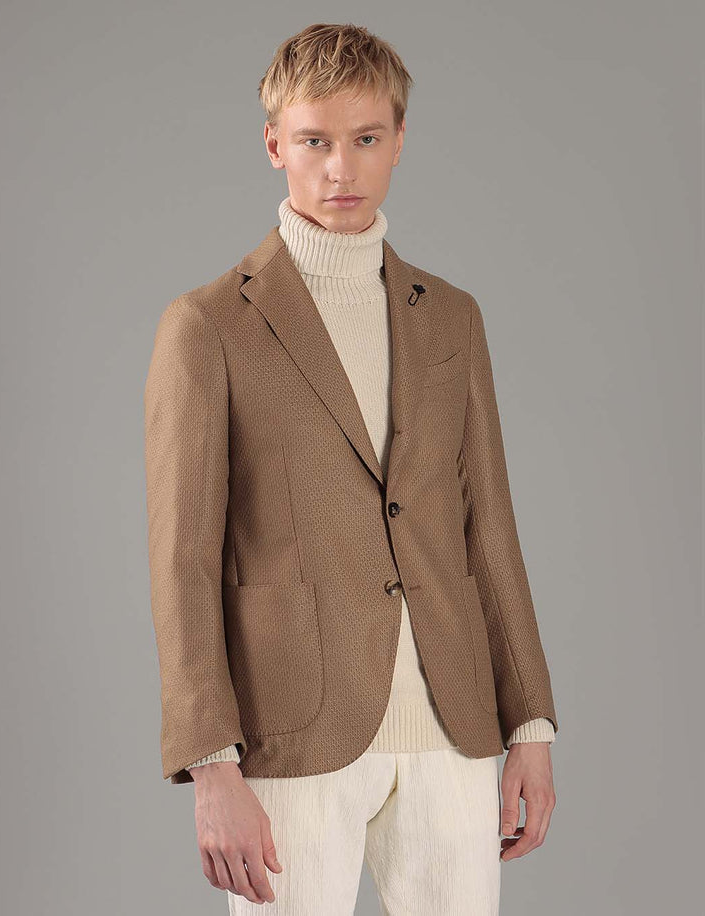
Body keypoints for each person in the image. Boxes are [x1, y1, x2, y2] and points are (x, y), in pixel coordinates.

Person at [144, 22, 559, 915]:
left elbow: (489, 525)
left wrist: (530, 721)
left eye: (366, 138)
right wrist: (210, 765)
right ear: (274, 146)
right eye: (314, 142)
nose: (341, 168)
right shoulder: (207, 326)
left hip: (453, 730)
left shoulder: (452, 318)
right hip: (291, 734)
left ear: (400, 140)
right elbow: (183, 562)